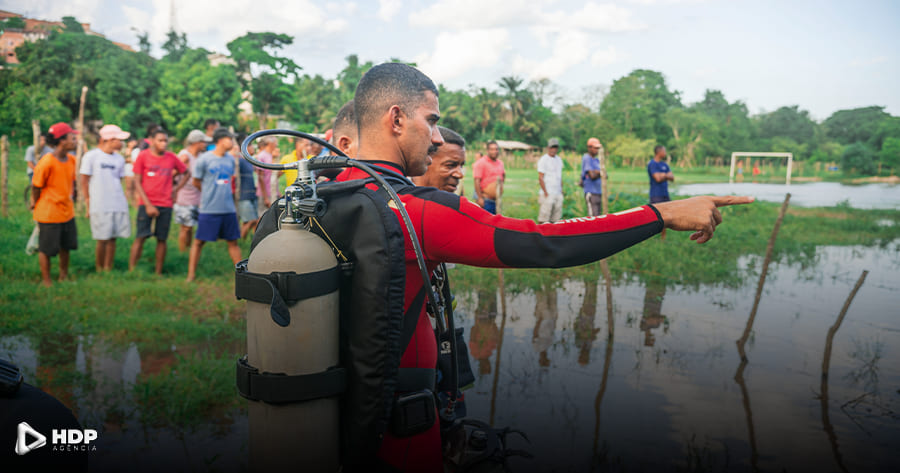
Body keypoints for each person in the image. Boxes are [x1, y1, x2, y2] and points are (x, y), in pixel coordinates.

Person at [324, 62, 751, 471]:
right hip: (402, 439)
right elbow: (543, 244)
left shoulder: (318, 197)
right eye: (431, 120)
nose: (437, 138)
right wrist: (661, 214)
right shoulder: (412, 211)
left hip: (336, 427)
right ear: (396, 119)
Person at [129, 128, 190, 274]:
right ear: (152, 141)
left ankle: (158, 271)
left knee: (162, 239)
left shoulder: (171, 157)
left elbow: (186, 173)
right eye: (160, 140)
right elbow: (137, 182)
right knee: (140, 237)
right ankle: (132, 270)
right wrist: (148, 205)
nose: (164, 143)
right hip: (146, 203)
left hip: (165, 204)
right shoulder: (143, 156)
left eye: (165, 140)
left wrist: (176, 190)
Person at [186, 127, 242, 282]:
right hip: (209, 208)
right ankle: (191, 275)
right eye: (229, 139)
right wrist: (208, 193)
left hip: (228, 208)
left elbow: (229, 179)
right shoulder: (204, 159)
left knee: (233, 242)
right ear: (220, 140)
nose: (231, 142)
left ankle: (244, 276)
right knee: (198, 242)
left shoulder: (230, 159)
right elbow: (196, 181)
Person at [30, 122, 79, 287]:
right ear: (62, 141)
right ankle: (47, 280)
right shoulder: (47, 162)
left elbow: (72, 182)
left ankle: (63, 276)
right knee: (46, 248)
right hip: (49, 213)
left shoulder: (71, 159)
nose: (75, 140)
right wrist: (34, 203)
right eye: (72, 137)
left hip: (67, 212)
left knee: (66, 246)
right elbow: (36, 186)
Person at [79, 124, 132, 272]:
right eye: (119, 140)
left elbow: (119, 180)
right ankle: (99, 267)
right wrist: (88, 201)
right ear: (108, 140)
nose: (121, 143)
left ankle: (108, 267)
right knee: (102, 238)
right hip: (99, 202)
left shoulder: (119, 159)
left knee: (113, 237)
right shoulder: (91, 156)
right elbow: (84, 180)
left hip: (116, 202)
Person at [175, 130, 211, 252]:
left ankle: (188, 249)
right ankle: (182, 251)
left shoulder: (201, 157)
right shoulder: (184, 156)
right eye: (203, 142)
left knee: (192, 226)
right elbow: (173, 174)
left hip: (198, 196)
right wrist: (175, 189)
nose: (205, 145)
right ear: (197, 142)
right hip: (185, 196)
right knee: (185, 227)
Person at [411, 126, 466, 193]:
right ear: (423, 161)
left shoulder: (450, 201)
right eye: (450, 165)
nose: (460, 174)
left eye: (461, 166)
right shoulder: (398, 200)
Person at [235, 133, 259, 239]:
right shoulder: (239, 161)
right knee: (249, 221)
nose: (252, 147)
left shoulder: (249, 161)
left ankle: (250, 242)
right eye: (250, 145)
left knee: (254, 222)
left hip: (252, 194)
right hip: (243, 196)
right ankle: (240, 241)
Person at [472, 140, 505, 214]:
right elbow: (476, 181)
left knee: (496, 223)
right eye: (492, 149)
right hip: (486, 200)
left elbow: (503, 176)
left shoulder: (500, 163)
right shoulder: (481, 163)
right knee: (486, 223)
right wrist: (480, 198)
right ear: (487, 151)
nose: (495, 151)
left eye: (496, 149)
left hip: (497, 200)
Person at [537, 138, 564, 223]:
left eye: (555, 147)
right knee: (544, 218)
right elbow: (540, 177)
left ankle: (553, 236)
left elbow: (560, 176)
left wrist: (561, 190)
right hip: (548, 192)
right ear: (548, 148)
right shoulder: (544, 159)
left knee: (556, 218)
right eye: (552, 147)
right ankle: (541, 235)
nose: (554, 149)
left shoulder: (559, 160)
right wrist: (545, 192)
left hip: (557, 192)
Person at [581, 137, 605, 217]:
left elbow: (605, 175)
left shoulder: (597, 160)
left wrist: (597, 172)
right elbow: (592, 176)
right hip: (591, 192)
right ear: (589, 148)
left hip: (598, 191)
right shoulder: (587, 158)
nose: (597, 150)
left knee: (599, 216)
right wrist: (599, 172)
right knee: (592, 217)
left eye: (598, 148)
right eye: (595, 148)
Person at [254, 136, 278, 211]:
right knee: (263, 217)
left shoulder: (271, 155)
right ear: (270, 143)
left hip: (272, 192)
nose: (276, 144)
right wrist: (265, 197)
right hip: (264, 194)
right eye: (275, 142)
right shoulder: (262, 156)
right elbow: (260, 177)